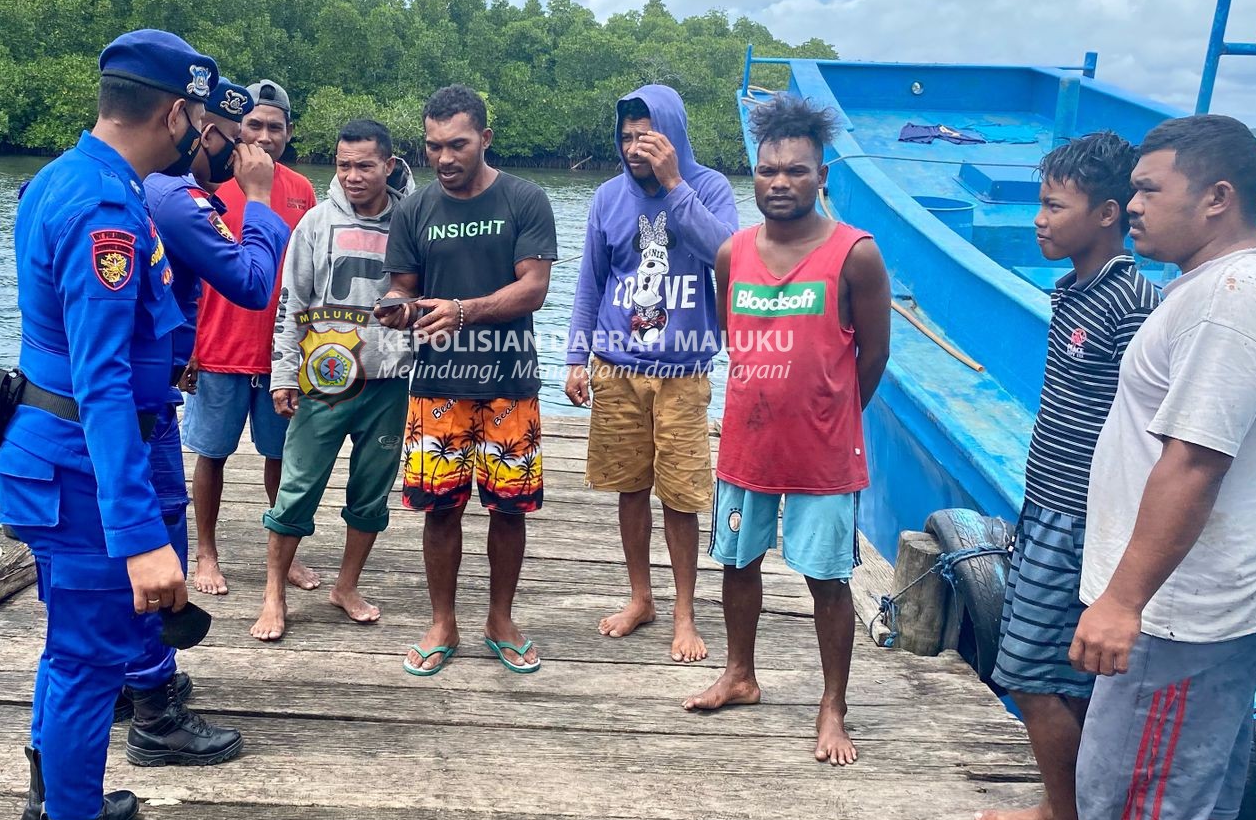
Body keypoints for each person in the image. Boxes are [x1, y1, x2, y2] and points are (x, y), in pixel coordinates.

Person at [1007, 114, 1256, 820]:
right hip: (1221, 595)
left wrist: (1122, 598)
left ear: (1217, 199)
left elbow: (1194, 462)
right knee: (1196, 781)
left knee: (1148, 785)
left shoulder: (1230, 304)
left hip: (1184, 607)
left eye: (1149, 191)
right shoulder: (1227, 287)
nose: (1131, 205)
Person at [0, 29, 215, 820]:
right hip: (82, 467)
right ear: (174, 111)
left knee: (66, 650)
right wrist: (140, 540)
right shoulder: (106, 214)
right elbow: (102, 384)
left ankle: (53, 808)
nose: (198, 127)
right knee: (88, 662)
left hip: (52, 459)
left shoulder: (66, 177)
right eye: (197, 113)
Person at [975, 133, 1160, 820]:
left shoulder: (1130, 302)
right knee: (1059, 676)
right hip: (1045, 506)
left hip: (1083, 521)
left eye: (1056, 206)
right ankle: (1058, 806)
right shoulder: (1074, 291)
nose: (1041, 220)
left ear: (1109, 214)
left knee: (1031, 676)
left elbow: (1147, 429)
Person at [683, 95, 891, 773]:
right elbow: (732, 340)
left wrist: (828, 414)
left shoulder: (855, 254)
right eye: (768, 170)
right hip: (747, 446)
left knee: (827, 579)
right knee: (736, 564)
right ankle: (740, 672)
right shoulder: (732, 253)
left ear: (822, 175)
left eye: (796, 171)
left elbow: (874, 355)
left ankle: (833, 704)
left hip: (825, 455)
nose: (779, 182)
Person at [110, 79, 287, 756]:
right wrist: (262, 200)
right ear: (199, 130)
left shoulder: (130, 189)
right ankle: (154, 705)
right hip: (142, 408)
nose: (246, 150)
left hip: (148, 387)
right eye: (234, 137)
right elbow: (249, 281)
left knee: (128, 548)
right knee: (159, 537)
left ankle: (135, 677)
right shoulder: (176, 197)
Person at [378, 85, 558, 676]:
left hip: (509, 381)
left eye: (457, 144)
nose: (445, 158)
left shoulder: (524, 199)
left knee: (509, 510)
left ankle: (500, 618)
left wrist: (462, 311)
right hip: (436, 386)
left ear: (485, 137)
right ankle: (443, 621)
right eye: (433, 147)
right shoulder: (414, 209)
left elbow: (534, 287)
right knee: (439, 509)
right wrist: (396, 306)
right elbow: (402, 286)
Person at [564, 83, 737, 663]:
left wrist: (673, 187)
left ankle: (685, 612)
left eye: (647, 134)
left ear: (673, 134)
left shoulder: (707, 188)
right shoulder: (607, 198)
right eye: (626, 135)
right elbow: (590, 284)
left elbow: (728, 254)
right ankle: (642, 597)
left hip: (683, 372)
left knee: (681, 495)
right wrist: (573, 358)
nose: (635, 145)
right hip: (616, 367)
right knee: (630, 487)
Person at [255, 118, 416, 641]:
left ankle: (346, 585)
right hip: (323, 379)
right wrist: (283, 375)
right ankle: (274, 592)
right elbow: (290, 303)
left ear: (389, 166)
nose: (352, 175)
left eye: (365, 165)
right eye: (344, 165)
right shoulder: (316, 224)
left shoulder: (412, 224)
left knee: (372, 492)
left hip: (389, 381)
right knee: (297, 489)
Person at [183, 78, 318, 596]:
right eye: (254, 124)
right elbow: (189, 275)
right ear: (237, 127)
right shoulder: (209, 182)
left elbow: (306, 275)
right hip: (218, 347)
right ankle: (207, 553)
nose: (264, 136)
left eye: (275, 127)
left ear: (288, 133)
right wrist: (189, 350)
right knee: (210, 453)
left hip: (281, 351)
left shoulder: (301, 190)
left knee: (281, 458)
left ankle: (282, 555)